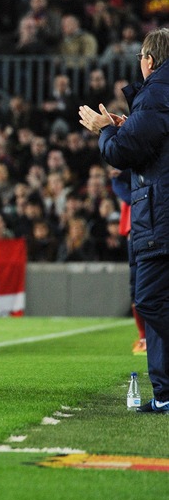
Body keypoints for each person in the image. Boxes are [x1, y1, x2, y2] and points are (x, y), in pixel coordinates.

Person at [79, 28, 169, 412]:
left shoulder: (155, 96)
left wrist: (104, 133)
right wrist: (122, 124)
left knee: (149, 299)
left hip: (159, 215)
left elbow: (123, 152)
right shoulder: (155, 100)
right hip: (159, 210)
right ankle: (165, 395)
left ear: (148, 60)